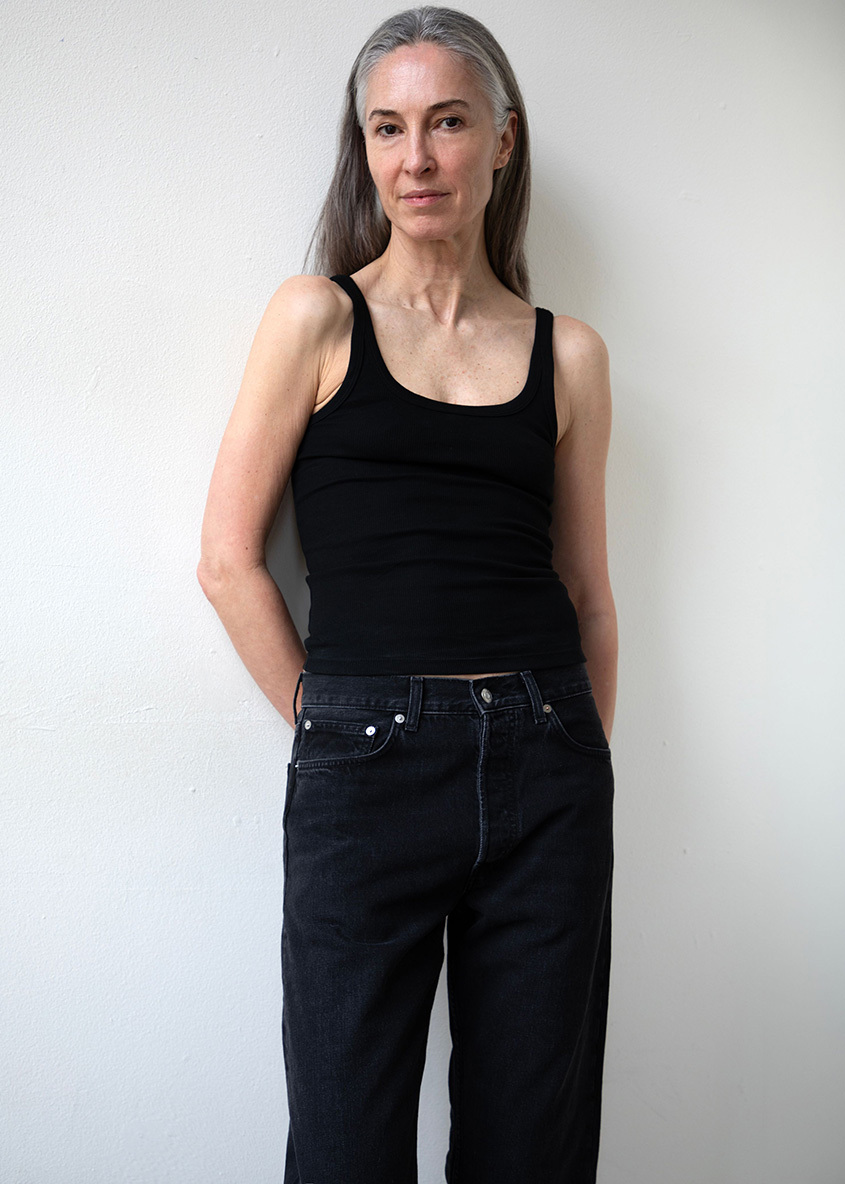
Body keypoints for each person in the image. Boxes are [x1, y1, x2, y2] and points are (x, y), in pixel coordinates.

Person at [197, 6, 617, 1181]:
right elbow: (227, 559)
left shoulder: (567, 353)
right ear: (365, 147)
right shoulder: (315, 315)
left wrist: (576, 754)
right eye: (387, 127)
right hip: (363, 764)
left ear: (502, 139)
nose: (416, 157)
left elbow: (587, 593)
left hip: (546, 763)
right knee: (345, 1145)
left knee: (530, 1149)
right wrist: (332, 722)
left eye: (446, 122)